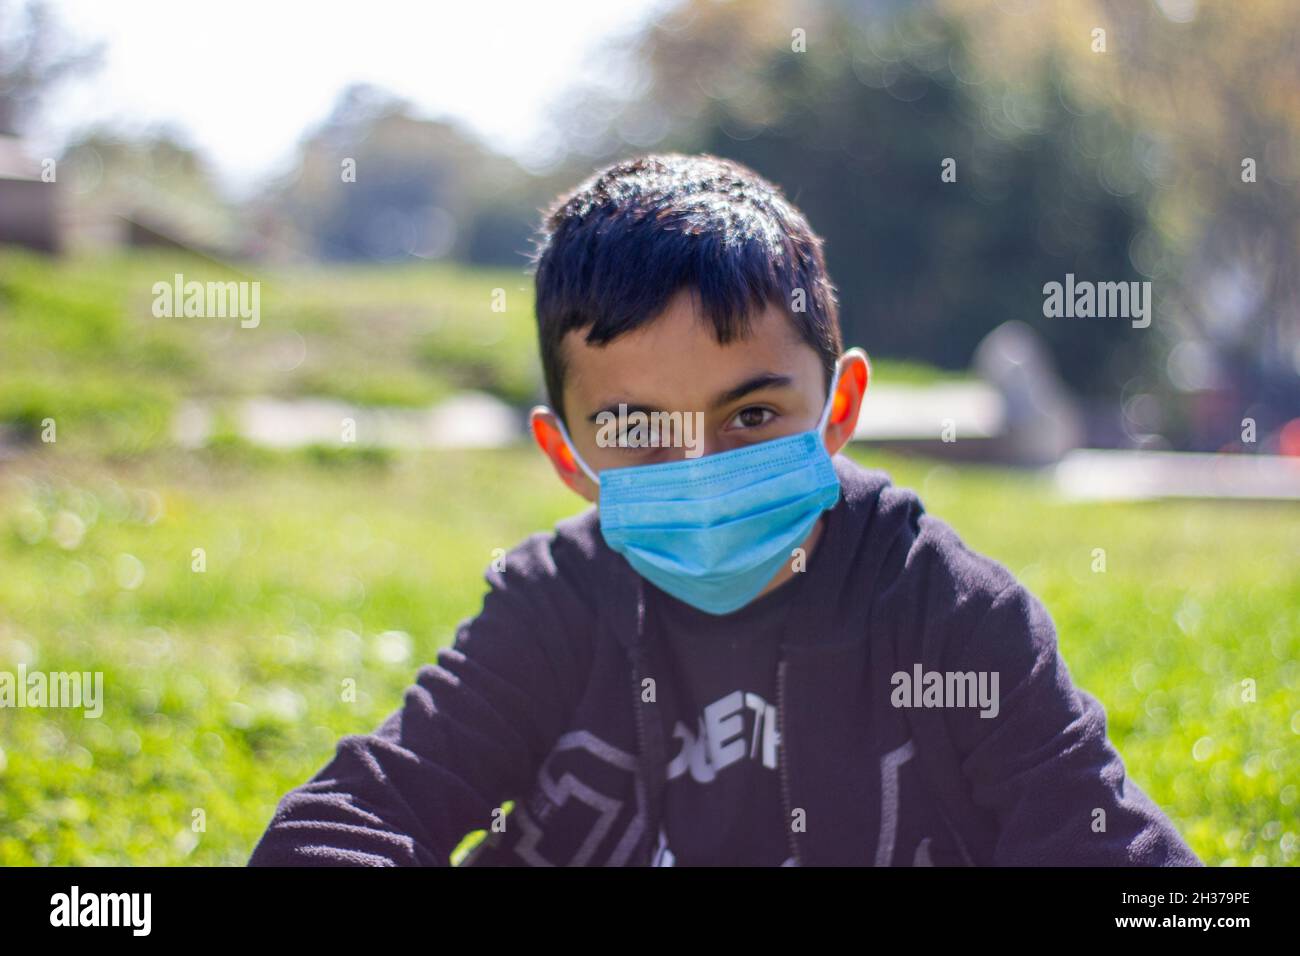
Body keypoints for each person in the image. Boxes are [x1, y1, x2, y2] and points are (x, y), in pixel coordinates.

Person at [248, 154, 1201, 866]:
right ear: (567, 455)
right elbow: (354, 816)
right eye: (637, 427)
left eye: (750, 413)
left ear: (839, 409)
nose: (700, 467)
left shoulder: (952, 618)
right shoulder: (552, 610)